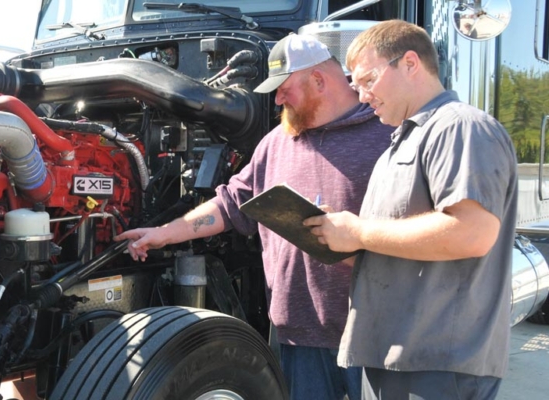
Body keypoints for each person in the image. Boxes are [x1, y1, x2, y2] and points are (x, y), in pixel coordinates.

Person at [114, 33, 393, 400]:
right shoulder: (277, 142)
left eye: (284, 89)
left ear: (319, 81)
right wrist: (165, 233)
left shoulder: (387, 133)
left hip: (374, 336)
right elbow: (230, 205)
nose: (276, 99)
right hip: (300, 336)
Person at [303, 20, 516, 400]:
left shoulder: (460, 127)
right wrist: (337, 238)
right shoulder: (400, 145)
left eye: (368, 80)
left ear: (411, 63)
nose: (362, 96)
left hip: (436, 365)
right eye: (355, 85)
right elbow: (399, 247)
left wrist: (359, 232)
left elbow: (472, 233)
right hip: (395, 359)